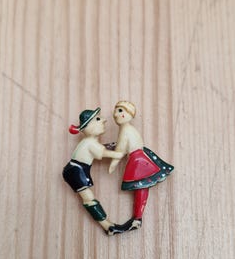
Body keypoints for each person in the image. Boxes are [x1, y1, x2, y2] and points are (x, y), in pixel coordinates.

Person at [108, 100, 174, 233]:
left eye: (120, 111)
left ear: (130, 114)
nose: (115, 114)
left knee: (141, 187)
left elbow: (120, 151)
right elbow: (123, 145)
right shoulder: (128, 130)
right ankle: (137, 218)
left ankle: (137, 219)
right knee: (142, 187)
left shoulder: (125, 130)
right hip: (142, 156)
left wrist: (113, 164)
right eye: (116, 111)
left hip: (138, 160)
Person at [62, 107, 123, 235]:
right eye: (98, 119)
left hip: (76, 170)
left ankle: (108, 225)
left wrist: (113, 146)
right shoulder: (90, 143)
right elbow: (103, 152)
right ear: (88, 126)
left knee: (89, 198)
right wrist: (118, 154)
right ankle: (108, 226)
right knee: (89, 199)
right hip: (76, 172)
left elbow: (100, 149)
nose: (104, 120)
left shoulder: (89, 142)